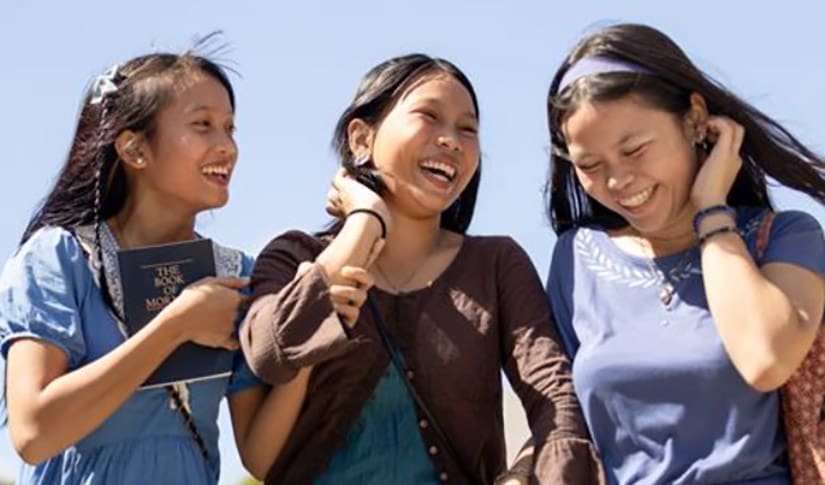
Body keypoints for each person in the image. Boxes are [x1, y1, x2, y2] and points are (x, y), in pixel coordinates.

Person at [240, 53, 604, 484]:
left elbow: (558, 400)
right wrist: (366, 220)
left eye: (467, 129)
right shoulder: (291, 256)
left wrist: (523, 475)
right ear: (361, 138)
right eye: (429, 116)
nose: (452, 140)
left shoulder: (497, 265)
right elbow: (268, 353)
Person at [0, 46, 302, 484]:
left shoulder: (239, 274)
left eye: (229, 128)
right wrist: (176, 325)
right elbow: (34, 432)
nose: (227, 147)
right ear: (135, 149)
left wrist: (303, 348)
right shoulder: (60, 259)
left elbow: (261, 458)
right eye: (202, 125)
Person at [544, 23, 825, 484]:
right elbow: (566, 425)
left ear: (695, 119)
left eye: (634, 149)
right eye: (590, 166)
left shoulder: (786, 238)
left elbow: (766, 359)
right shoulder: (574, 260)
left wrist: (711, 210)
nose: (617, 182)